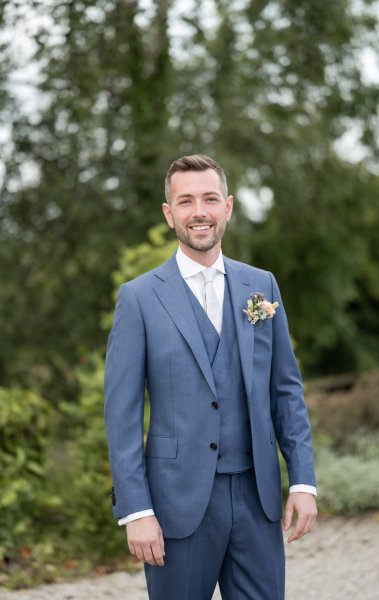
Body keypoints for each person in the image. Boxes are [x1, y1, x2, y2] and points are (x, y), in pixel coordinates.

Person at [104, 154, 317, 600]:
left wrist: (301, 481)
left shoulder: (262, 287)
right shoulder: (139, 299)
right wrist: (135, 509)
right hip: (174, 505)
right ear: (169, 214)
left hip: (258, 502)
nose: (198, 211)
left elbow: (286, 390)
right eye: (186, 201)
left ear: (228, 207)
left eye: (210, 198)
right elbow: (121, 415)